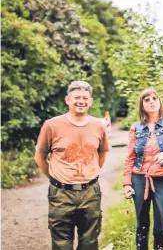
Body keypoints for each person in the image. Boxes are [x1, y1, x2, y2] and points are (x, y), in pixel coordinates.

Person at [35, 81, 110, 250]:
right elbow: (40, 156)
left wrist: (89, 174)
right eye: (76, 97)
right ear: (67, 100)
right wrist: (55, 177)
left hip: (90, 192)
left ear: (90, 101)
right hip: (60, 194)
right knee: (61, 243)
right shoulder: (51, 125)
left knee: (90, 242)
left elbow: (102, 153)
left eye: (85, 98)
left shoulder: (99, 125)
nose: (81, 101)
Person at [123, 88, 163, 250]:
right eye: (147, 99)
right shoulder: (136, 128)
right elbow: (130, 157)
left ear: (159, 102)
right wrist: (127, 184)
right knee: (142, 224)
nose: (151, 101)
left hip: (162, 180)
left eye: (154, 98)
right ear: (142, 105)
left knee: (160, 225)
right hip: (139, 180)